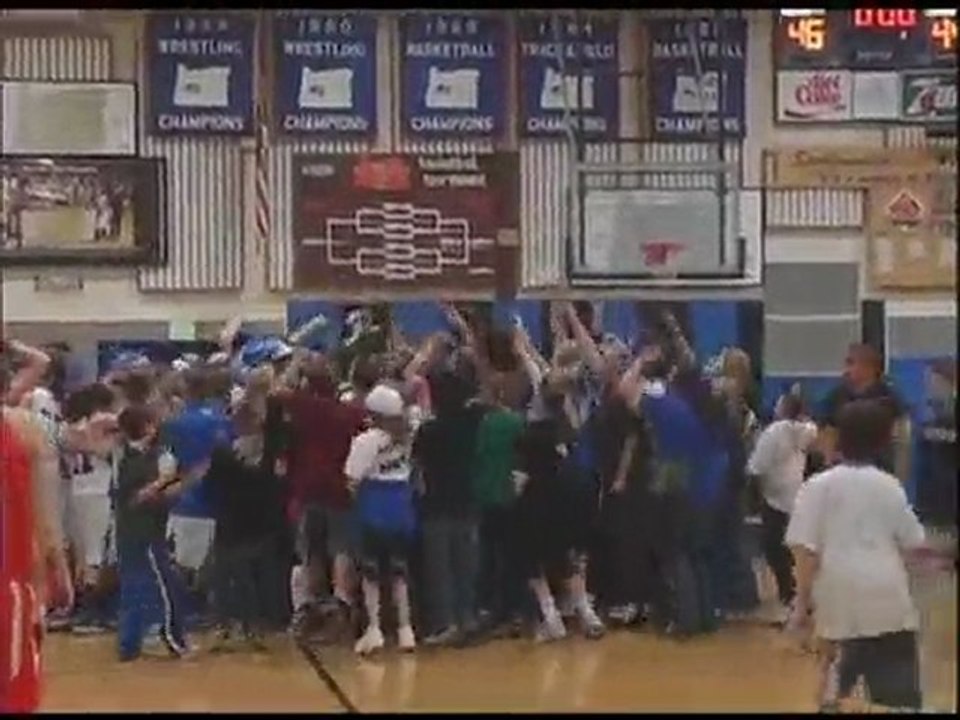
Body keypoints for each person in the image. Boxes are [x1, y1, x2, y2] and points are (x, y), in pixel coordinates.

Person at [786, 400, 926, 712]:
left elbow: (805, 553)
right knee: (899, 703)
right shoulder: (890, 486)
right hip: (890, 604)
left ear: (837, 437)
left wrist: (801, 608)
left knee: (832, 698)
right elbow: (913, 543)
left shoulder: (817, 487)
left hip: (839, 604)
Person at [280, 355, 365, 639]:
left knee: (311, 552)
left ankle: (313, 609)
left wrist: (294, 365)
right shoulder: (350, 412)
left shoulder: (305, 407)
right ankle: (342, 606)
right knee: (341, 549)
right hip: (341, 487)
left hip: (309, 488)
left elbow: (276, 390)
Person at [413, 365, 485, 647]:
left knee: (440, 568)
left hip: (436, 503)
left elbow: (416, 465)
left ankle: (444, 623)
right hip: (466, 500)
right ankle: (468, 617)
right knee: (467, 564)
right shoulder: (472, 423)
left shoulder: (429, 430)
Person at [344, 385, 418, 656]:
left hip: (375, 508)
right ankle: (405, 629)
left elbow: (352, 480)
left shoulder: (366, 441)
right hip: (402, 507)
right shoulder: (407, 437)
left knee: (371, 573)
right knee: (400, 572)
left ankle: (374, 628)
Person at [113, 405, 190, 662]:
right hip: (142, 534)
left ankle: (129, 644)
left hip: (134, 533)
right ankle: (173, 639)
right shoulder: (135, 461)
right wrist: (164, 482)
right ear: (147, 426)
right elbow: (135, 499)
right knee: (166, 588)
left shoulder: (132, 456)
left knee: (134, 589)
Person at [207, 400, 279, 652]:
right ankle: (247, 627)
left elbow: (213, 480)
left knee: (231, 575)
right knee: (244, 576)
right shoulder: (269, 452)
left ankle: (228, 627)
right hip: (253, 521)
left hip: (237, 521)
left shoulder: (226, 453)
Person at [747, 392, 818, 621]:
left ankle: (788, 596)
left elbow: (756, 468)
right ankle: (800, 595)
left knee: (773, 549)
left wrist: (751, 500)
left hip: (775, 498)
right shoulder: (809, 430)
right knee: (796, 549)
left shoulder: (773, 432)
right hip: (798, 495)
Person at [817, 344, 908, 475]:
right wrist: (829, 459)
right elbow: (827, 430)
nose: (846, 370)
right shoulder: (836, 396)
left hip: (881, 468)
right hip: (844, 468)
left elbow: (901, 438)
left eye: (851, 363)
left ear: (870, 368)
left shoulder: (889, 397)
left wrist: (900, 473)